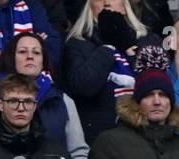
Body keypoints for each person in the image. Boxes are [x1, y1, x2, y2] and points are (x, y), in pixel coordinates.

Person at [0, 33, 88, 159]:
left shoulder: (62, 101)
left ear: (43, 60)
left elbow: (79, 153)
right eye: (22, 51)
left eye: (37, 52)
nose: (30, 56)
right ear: (10, 57)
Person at [61, 0, 157, 144]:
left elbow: (156, 87)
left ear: (125, 7)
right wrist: (109, 45)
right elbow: (84, 86)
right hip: (100, 139)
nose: (106, 2)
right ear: (89, 7)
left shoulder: (148, 41)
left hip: (144, 137)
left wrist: (126, 45)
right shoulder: (77, 44)